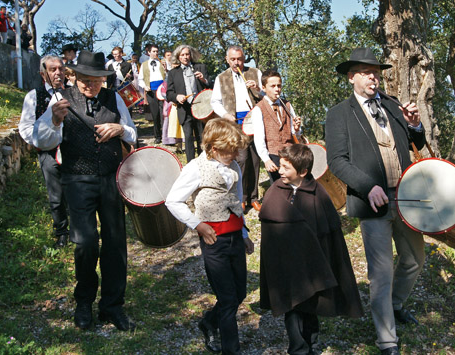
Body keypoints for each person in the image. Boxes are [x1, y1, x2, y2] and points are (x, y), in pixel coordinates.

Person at [325, 47, 426, 355]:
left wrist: (415, 124)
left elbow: (416, 143)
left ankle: (394, 306)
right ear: (351, 77)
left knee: (414, 261)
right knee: (381, 274)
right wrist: (368, 186)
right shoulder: (338, 114)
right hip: (373, 204)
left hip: (406, 198)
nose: (374, 77)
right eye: (367, 72)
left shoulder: (394, 106)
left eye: (377, 72)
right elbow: (338, 161)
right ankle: (387, 340)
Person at [33, 51, 138, 331]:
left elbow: (133, 133)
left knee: (115, 243)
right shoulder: (60, 99)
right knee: (86, 242)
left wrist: (119, 129)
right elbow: (41, 140)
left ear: (103, 79)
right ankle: (83, 303)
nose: (90, 84)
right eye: (84, 79)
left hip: (111, 178)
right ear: (74, 76)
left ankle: (112, 306)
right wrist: (53, 121)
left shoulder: (114, 98)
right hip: (77, 179)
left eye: (96, 79)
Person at [259, 144, 364, 354]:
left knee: (311, 306)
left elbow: (331, 233)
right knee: (293, 308)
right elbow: (270, 236)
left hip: (313, 265)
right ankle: (298, 348)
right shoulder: (275, 191)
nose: (280, 171)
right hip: (287, 266)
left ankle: (311, 343)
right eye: (281, 166)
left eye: (286, 168)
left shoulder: (318, 193)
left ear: (303, 171)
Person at [165, 118, 255, 355]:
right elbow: (173, 200)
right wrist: (198, 225)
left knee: (240, 293)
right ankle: (231, 350)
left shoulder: (233, 167)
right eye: (231, 150)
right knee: (227, 299)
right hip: (214, 240)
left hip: (235, 236)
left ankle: (208, 322)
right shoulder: (196, 167)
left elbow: (236, 199)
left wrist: (244, 233)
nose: (236, 155)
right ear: (214, 148)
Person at [18, 55, 70, 249]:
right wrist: (38, 142)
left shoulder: (73, 93)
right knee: (55, 195)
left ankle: (80, 229)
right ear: (43, 74)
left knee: (75, 189)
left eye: (61, 69)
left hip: (72, 149)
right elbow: (25, 126)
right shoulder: (34, 96)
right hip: (48, 152)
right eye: (53, 69)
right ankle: (61, 232)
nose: (58, 73)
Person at [211, 45, 263, 211]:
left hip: (254, 119)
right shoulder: (221, 78)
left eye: (239, 59)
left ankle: (253, 197)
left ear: (244, 58)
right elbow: (215, 102)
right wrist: (225, 114)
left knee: (255, 159)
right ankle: (241, 197)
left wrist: (257, 88)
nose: (236, 63)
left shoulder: (255, 72)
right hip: (235, 123)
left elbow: (264, 95)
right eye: (232, 59)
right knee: (241, 158)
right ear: (227, 59)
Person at [252, 70, 302, 183]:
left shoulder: (287, 105)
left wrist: (297, 129)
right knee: (280, 188)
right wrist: (266, 160)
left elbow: (295, 134)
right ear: (264, 88)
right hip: (273, 156)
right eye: (273, 86)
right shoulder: (258, 109)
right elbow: (259, 138)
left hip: (291, 154)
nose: (277, 89)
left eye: (279, 86)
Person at [166, 44, 211, 162]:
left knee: (202, 137)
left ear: (191, 55)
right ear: (178, 57)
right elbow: (169, 93)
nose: (185, 57)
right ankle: (191, 164)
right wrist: (177, 97)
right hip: (184, 109)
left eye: (187, 54)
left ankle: (204, 161)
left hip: (200, 108)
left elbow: (211, 85)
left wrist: (203, 80)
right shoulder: (173, 73)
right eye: (182, 55)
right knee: (188, 137)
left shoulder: (200, 67)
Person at [138, 44, 165, 143]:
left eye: (157, 51)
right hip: (151, 91)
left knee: (164, 113)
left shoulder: (162, 63)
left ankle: (166, 136)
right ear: (149, 52)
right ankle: (157, 136)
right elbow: (140, 79)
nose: (156, 53)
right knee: (155, 114)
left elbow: (166, 76)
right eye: (153, 51)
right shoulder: (144, 65)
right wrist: (145, 86)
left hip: (162, 91)